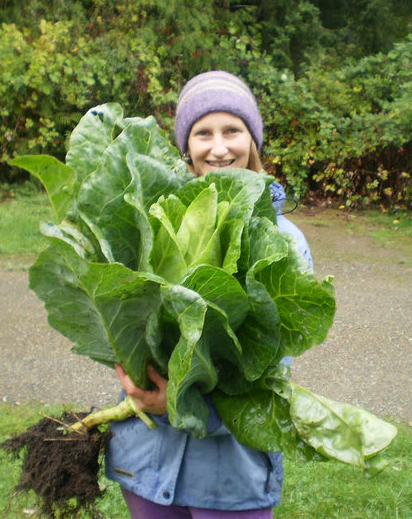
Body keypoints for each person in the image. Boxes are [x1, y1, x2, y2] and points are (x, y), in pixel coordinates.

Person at [105, 70, 313, 518]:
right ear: (186, 145)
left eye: (232, 131)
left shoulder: (285, 241)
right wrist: (142, 388)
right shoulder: (154, 213)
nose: (219, 147)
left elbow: (271, 372)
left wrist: (180, 405)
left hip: (230, 475)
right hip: (146, 461)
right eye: (203, 133)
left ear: (253, 140)